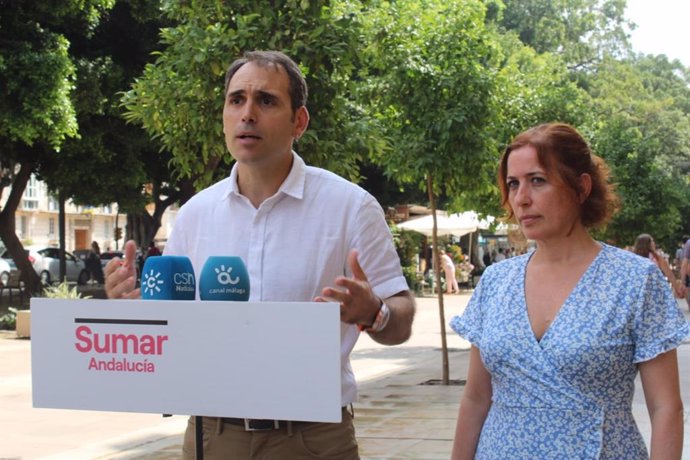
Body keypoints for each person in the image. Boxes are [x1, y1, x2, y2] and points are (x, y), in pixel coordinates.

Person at [105, 50, 415, 460]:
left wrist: (373, 311)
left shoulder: (349, 207)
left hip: (313, 437)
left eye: (266, 100)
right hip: (212, 435)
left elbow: (402, 316)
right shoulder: (196, 213)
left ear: (298, 121)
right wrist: (133, 308)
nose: (247, 113)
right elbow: (172, 331)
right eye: (236, 100)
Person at [449, 123, 689, 459]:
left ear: (581, 187)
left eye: (538, 180)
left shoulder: (634, 280)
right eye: (513, 184)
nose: (521, 198)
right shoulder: (496, 281)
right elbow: (476, 398)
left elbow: (666, 408)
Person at [632, 233, 686, 298]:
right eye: (652, 241)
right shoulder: (657, 258)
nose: (654, 243)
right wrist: (677, 288)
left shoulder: (633, 258)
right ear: (647, 244)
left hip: (638, 290)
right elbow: (669, 274)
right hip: (654, 289)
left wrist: (677, 288)